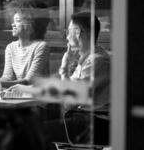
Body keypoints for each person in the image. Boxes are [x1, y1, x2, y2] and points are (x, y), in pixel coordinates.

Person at [11, 11, 110, 148]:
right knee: (26, 120)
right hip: (80, 117)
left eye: (68, 31)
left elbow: (69, 102)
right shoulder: (87, 59)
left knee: (27, 132)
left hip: (93, 123)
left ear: (78, 33)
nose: (67, 37)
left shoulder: (96, 61)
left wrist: (64, 66)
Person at [0, 0, 50, 89]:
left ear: (31, 25)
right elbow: (7, 77)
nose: (13, 24)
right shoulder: (11, 47)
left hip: (38, 100)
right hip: (21, 96)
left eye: (17, 20)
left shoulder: (41, 46)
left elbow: (28, 81)